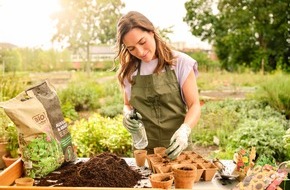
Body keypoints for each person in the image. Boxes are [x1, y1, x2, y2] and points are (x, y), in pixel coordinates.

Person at [115, 11, 201, 160]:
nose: (140, 52)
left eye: (142, 42)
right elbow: (127, 104)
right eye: (131, 48)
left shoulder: (180, 63)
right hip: (144, 150)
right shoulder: (129, 71)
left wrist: (185, 131)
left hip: (178, 147)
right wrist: (127, 114)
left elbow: (194, 105)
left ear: (152, 32)